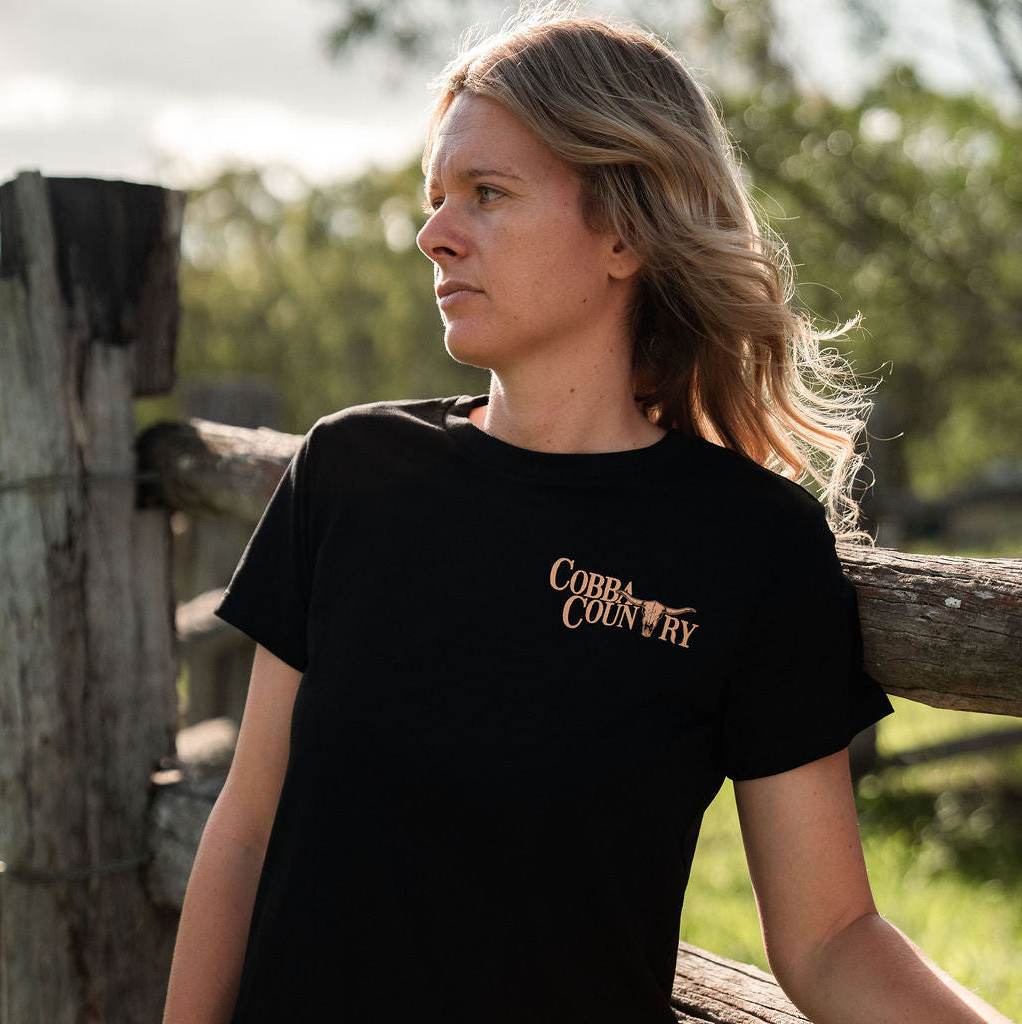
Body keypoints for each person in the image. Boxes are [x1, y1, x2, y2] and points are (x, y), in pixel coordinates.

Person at [162, 10, 1013, 1024]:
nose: (433, 233)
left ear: (623, 232)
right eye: (434, 198)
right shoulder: (349, 472)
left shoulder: (749, 548)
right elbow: (246, 828)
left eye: (486, 194)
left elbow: (829, 937)